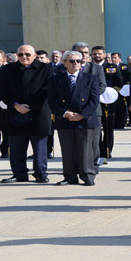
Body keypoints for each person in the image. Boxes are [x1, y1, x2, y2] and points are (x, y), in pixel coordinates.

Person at [0, 45, 54, 183]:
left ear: (34, 55)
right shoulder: (7, 70)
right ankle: (19, 174)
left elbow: (47, 91)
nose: (24, 57)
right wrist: (15, 105)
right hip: (15, 113)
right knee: (17, 148)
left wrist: (29, 107)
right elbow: (2, 90)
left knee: (40, 148)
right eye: (21, 55)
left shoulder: (46, 68)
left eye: (27, 54)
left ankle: (41, 174)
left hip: (39, 113)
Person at [48, 50, 100, 186]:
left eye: (79, 61)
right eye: (72, 61)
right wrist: (65, 113)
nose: (76, 63)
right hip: (65, 119)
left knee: (85, 150)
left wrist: (82, 115)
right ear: (64, 63)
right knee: (67, 149)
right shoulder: (56, 79)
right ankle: (70, 176)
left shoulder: (90, 78)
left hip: (84, 120)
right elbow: (52, 101)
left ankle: (87, 175)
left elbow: (94, 100)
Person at [92, 45, 123, 160]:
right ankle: (97, 151)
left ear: (104, 55)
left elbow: (119, 83)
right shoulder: (89, 67)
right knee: (95, 128)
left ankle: (107, 151)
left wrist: (111, 93)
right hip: (93, 102)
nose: (97, 55)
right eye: (95, 53)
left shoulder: (112, 67)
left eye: (99, 53)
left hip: (108, 102)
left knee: (108, 128)